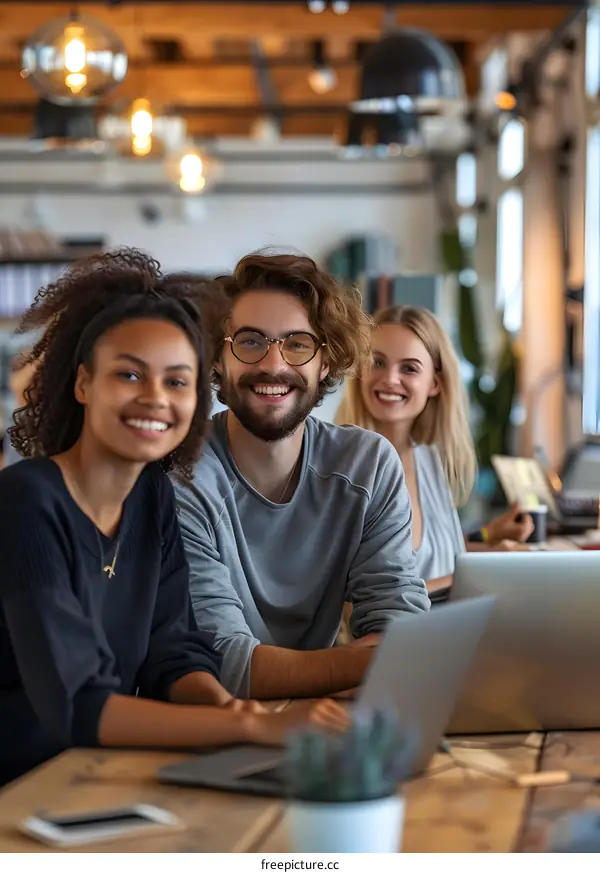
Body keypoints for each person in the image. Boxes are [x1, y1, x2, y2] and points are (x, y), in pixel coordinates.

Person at [0, 248, 347, 786]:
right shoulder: (25, 502)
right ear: (83, 383)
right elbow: (78, 705)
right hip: (20, 789)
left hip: (93, 775)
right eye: (130, 376)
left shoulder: (152, 496)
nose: (156, 398)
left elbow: (171, 651)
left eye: (178, 381)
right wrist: (250, 728)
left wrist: (231, 712)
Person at [173, 251, 429, 701]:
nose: (274, 365)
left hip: (333, 725)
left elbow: (401, 627)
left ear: (325, 363)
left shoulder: (367, 465)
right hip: (216, 730)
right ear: (217, 358)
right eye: (250, 341)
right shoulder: (181, 474)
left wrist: (389, 656)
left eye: (297, 343)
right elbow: (224, 664)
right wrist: (375, 661)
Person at [335, 305, 533, 599]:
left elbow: (430, 560)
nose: (390, 378)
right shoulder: (348, 470)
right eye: (377, 362)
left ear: (435, 384)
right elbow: (360, 604)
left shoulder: (428, 458)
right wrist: (483, 571)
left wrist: (491, 540)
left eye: (409, 368)